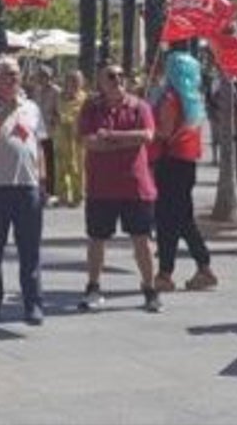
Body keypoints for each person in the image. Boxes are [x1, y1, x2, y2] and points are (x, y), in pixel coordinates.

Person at [77, 64, 161, 314]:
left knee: (142, 239)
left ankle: (149, 289)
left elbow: (147, 136)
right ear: (100, 82)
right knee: (97, 239)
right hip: (100, 187)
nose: (118, 80)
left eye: (121, 75)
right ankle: (93, 287)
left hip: (135, 186)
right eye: (111, 76)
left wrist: (110, 136)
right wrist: (127, 141)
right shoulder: (91, 108)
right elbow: (88, 142)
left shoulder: (139, 107)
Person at [0, 57, 46, 325]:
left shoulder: (31, 107)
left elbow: (37, 145)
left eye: (16, 74)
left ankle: (33, 304)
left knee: (30, 250)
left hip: (26, 186)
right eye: (8, 74)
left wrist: (43, 179)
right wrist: (5, 111)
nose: (14, 79)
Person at [150, 52, 218, 292]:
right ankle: (199, 267)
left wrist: (147, 124)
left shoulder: (170, 98)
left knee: (167, 219)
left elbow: (164, 131)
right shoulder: (193, 99)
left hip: (169, 162)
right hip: (185, 163)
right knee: (181, 218)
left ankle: (167, 273)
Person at [55, 71, 87, 207]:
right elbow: (54, 113)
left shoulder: (85, 98)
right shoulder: (59, 97)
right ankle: (62, 196)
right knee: (61, 165)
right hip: (61, 134)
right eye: (71, 80)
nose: (73, 83)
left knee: (76, 166)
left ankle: (78, 196)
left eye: (76, 80)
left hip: (77, 137)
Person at [29, 66, 62, 204]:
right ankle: (39, 188)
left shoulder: (56, 91)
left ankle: (50, 191)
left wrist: (54, 119)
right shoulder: (36, 90)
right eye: (40, 75)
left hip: (49, 130)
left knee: (49, 161)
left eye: (45, 75)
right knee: (35, 160)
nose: (42, 78)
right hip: (35, 129)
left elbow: (59, 110)